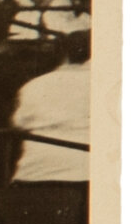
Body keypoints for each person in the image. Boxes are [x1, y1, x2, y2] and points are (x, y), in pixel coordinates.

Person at [9, 30, 90, 185]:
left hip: (36, 173)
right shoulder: (107, 86)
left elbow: (18, 123)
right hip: (87, 173)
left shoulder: (33, 86)